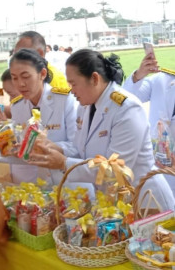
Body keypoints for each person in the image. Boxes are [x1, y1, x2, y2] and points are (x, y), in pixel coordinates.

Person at [28, 49, 175, 211]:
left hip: (146, 201)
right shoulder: (85, 107)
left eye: (74, 84)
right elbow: (80, 149)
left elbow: (117, 169)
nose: (71, 90)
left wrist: (64, 163)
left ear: (94, 79)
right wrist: (54, 147)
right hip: (114, 203)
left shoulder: (126, 108)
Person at [0, 48, 78, 184]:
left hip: (68, 183)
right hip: (38, 186)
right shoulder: (17, 107)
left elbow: (78, 147)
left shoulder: (65, 100)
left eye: (25, 77)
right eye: (15, 78)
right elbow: (22, 153)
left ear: (42, 74)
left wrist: (49, 146)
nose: (20, 84)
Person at [123, 53, 175, 195]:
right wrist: (139, 75)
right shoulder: (163, 80)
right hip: (161, 159)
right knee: (164, 204)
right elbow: (128, 96)